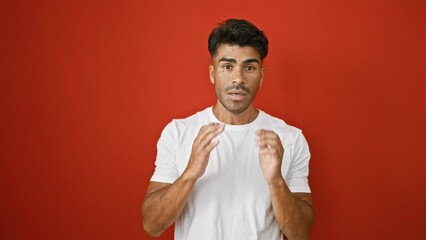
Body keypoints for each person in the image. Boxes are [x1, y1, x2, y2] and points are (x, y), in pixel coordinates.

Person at [142, 19, 314, 240]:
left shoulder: (290, 138)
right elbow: (152, 225)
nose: (238, 79)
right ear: (213, 73)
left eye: (249, 68)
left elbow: (300, 234)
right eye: (227, 66)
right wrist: (190, 174)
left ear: (261, 75)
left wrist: (276, 182)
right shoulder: (178, 132)